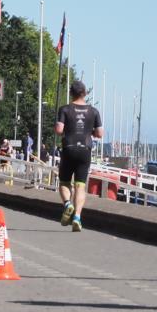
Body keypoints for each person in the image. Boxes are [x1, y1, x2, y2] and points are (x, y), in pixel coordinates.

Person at [55, 80, 104, 232]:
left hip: (69, 148)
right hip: (85, 149)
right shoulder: (94, 111)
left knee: (64, 182)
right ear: (85, 93)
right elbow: (100, 133)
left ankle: (68, 205)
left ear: (71, 93)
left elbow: (59, 129)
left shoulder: (64, 109)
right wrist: (91, 131)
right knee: (80, 186)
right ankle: (77, 217)